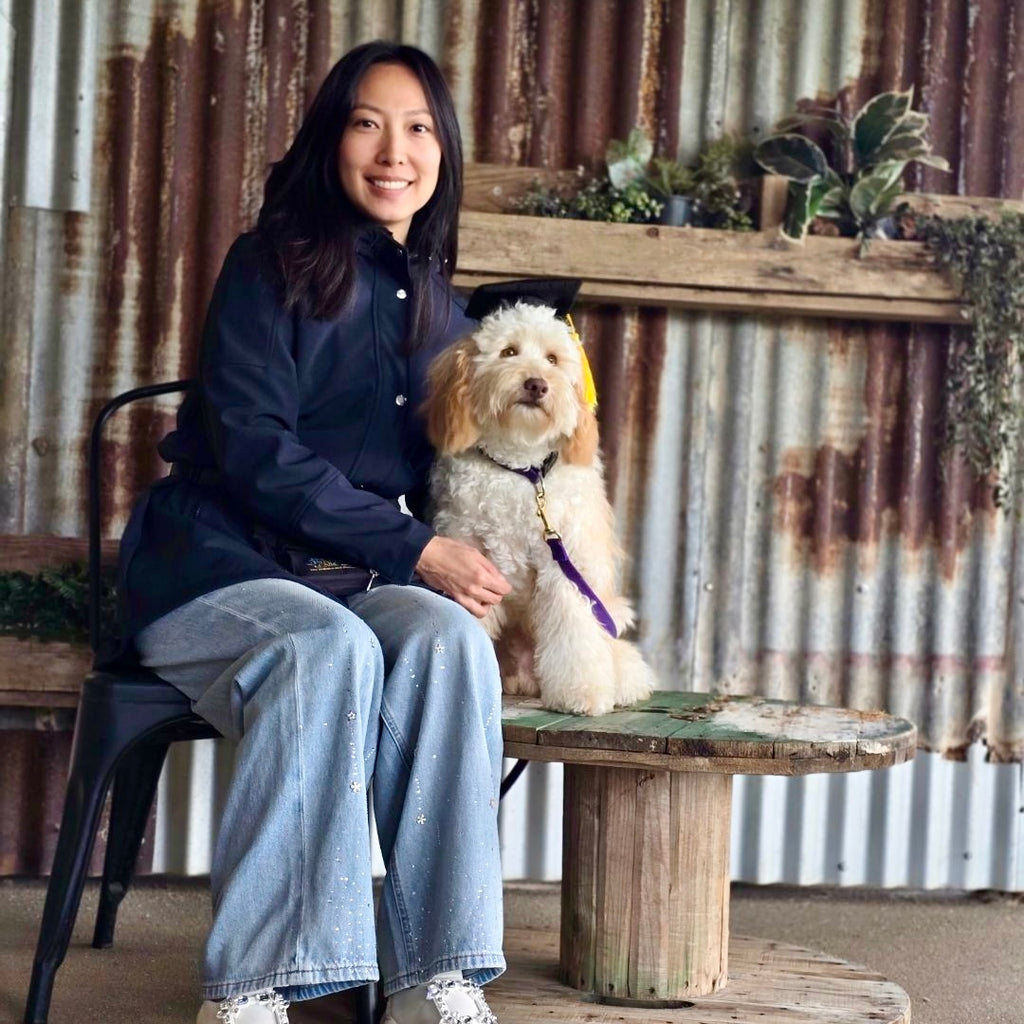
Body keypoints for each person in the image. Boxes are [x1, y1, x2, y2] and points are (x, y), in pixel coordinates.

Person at [117, 40, 511, 1024]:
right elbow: (253, 448)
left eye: (418, 128)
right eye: (368, 122)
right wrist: (415, 547)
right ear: (332, 140)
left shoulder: (441, 310)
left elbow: (450, 469)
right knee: (323, 645)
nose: (394, 150)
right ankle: (253, 988)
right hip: (211, 566)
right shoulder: (269, 264)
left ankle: (434, 975)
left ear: (442, 153)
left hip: (343, 577)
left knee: (452, 644)